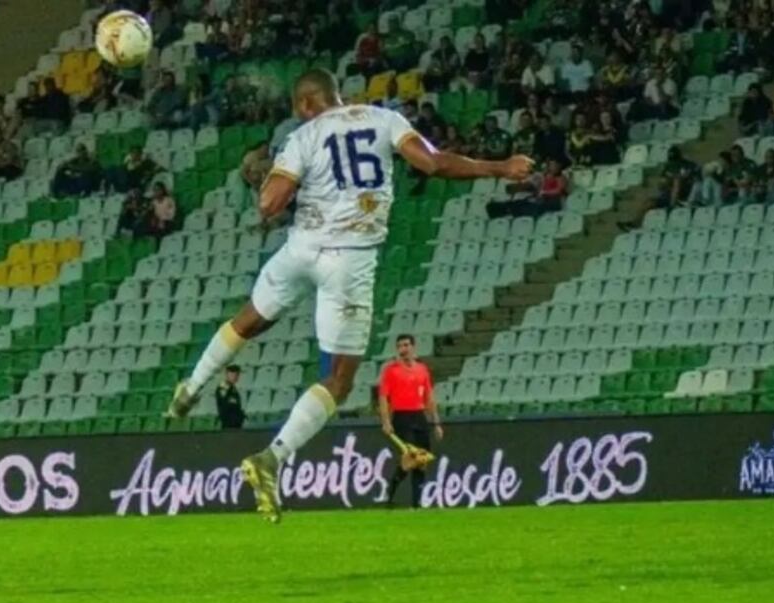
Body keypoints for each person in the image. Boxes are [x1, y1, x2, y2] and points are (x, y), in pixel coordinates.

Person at [165, 69, 531, 523]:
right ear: (336, 95)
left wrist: (268, 178)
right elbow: (433, 163)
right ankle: (271, 459)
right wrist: (499, 167)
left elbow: (269, 205)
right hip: (350, 260)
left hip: (301, 249)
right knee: (338, 379)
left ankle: (192, 387)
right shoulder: (383, 118)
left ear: (305, 104)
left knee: (251, 318)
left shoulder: (302, 137)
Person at [378, 335, 441, 508]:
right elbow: (383, 397)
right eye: (400, 346)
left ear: (413, 347)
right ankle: (391, 493)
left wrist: (436, 423)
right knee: (411, 458)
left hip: (419, 416)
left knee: (422, 460)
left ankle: (416, 504)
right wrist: (386, 421)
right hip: (402, 417)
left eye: (406, 345)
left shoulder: (422, 369)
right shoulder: (391, 371)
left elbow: (429, 398)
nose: (403, 349)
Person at [215, 365, 245, 429]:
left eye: (237, 375)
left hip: (235, 423)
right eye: (232, 375)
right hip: (228, 423)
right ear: (227, 375)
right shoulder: (224, 387)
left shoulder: (233, 388)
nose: (235, 377)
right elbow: (225, 405)